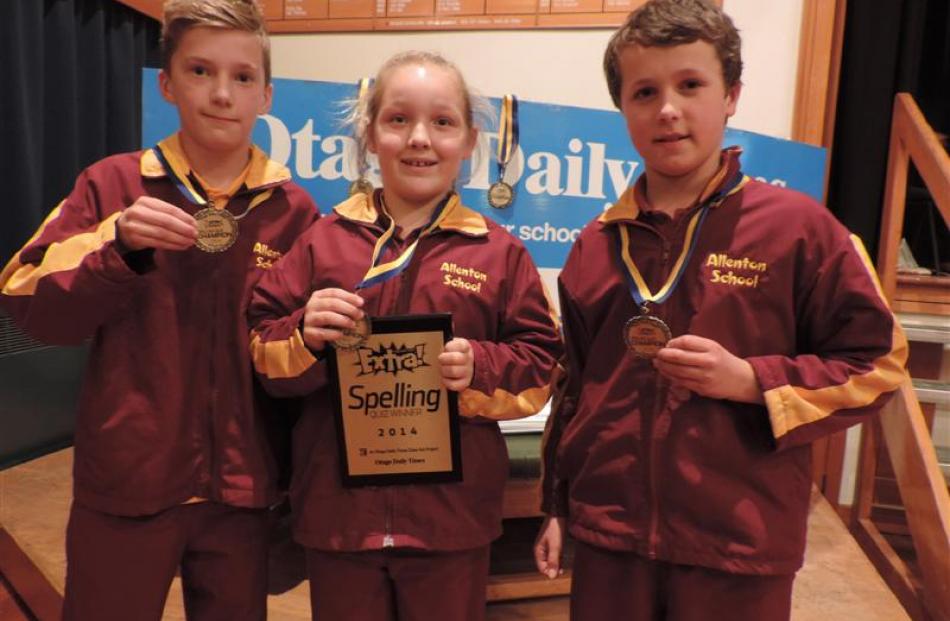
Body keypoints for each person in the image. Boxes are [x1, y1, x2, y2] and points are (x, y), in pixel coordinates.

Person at [533, 1, 908, 619]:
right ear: (623, 109)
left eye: (690, 85)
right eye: (644, 92)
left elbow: (881, 364)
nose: (668, 109)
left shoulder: (799, 231)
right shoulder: (595, 246)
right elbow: (570, 386)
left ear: (731, 94)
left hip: (739, 542)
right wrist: (556, 504)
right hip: (611, 540)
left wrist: (753, 381)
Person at [0, 1, 317, 619]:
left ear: (267, 95)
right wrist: (116, 244)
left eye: (243, 77)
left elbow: (298, 363)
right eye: (201, 71)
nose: (223, 94)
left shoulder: (295, 212)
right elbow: (28, 306)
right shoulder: (111, 186)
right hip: (128, 479)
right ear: (167, 83)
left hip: (244, 486)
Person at [247, 51, 562, 621]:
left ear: (469, 140)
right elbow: (260, 346)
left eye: (442, 122)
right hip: (339, 517)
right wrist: (305, 334)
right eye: (398, 120)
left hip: (450, 521)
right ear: (370, 135)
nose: (420, 138)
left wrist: (480, 369)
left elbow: (543, 364)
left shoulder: (499, 254)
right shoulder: (322, 243)